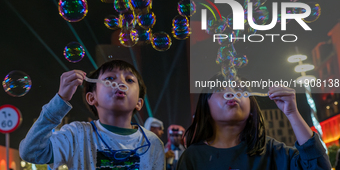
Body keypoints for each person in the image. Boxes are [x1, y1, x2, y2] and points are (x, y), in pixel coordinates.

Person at [19, 59, 165, 170]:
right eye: (110, 78)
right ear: (91, 98)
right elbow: (31, 151)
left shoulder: (152, 142)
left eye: (129, 80)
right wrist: (60, 100)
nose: (120, 82)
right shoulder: (77, 134)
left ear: (139, 102)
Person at [177, 74, 331, 170]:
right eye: (219, 89)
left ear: (251, 109)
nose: (231, 92)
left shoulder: (272, 151)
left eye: (240, 88)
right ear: (206, 106)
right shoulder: (193, 157)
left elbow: (318, 167)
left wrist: (292, 113)